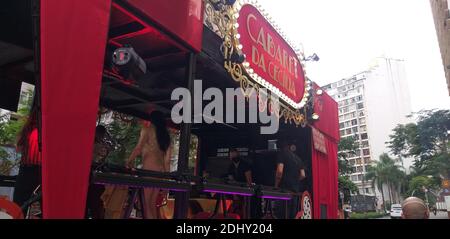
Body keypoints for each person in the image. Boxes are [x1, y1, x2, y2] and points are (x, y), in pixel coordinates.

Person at [126, 111, 171, 219]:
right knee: (151, 204)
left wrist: (129, 161)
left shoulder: (147, 130)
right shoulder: (166, 136)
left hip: (149, 170)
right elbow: (167, 161)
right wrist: (167, 181)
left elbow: (138, 148)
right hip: (160, 172)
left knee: (145, 204)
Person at [13, 105, 41, 216]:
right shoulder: (47, 131)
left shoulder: (27, 130)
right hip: (40, 172)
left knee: (19, 205)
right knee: (39, 206)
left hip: (26, 170)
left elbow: (18, 149)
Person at [273, 139, 306, 219]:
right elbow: (303, 175)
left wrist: (276, 186)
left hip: (284, 191)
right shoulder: (298, 159)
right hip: (295, 192)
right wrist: (294, 180)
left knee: (281, 215)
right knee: (292, 216)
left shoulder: (282, 154)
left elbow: (279, 172)